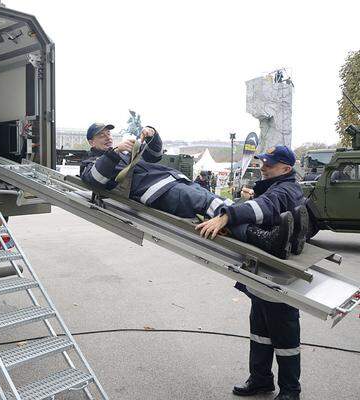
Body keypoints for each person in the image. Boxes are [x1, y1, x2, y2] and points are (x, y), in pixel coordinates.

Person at [80, 123, 305, 260]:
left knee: (217, 206)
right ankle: (263, 238)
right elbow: (94, 179)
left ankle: (270, 235)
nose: (108, 137)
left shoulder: (122, 154)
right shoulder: (92, 161)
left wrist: (152, 135)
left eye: (109, 134)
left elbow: (154, 155)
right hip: (160, 192)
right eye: (102, 135)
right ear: (91, 141)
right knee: (215, 209)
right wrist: (114, 152)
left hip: (174, 183)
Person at [196, 145, 308, 400]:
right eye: (262, 161)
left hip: (277, 279)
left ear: (286, 169)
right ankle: (260, 380)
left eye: (269, 163)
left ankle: (291, 391)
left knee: (285, 334)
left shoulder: (286, 189)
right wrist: (253, 194)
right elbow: (263, 201)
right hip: (260, 275)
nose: (263, 166)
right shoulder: (275, 187)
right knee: (260, 330)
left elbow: (264, 208)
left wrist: (226, 217)